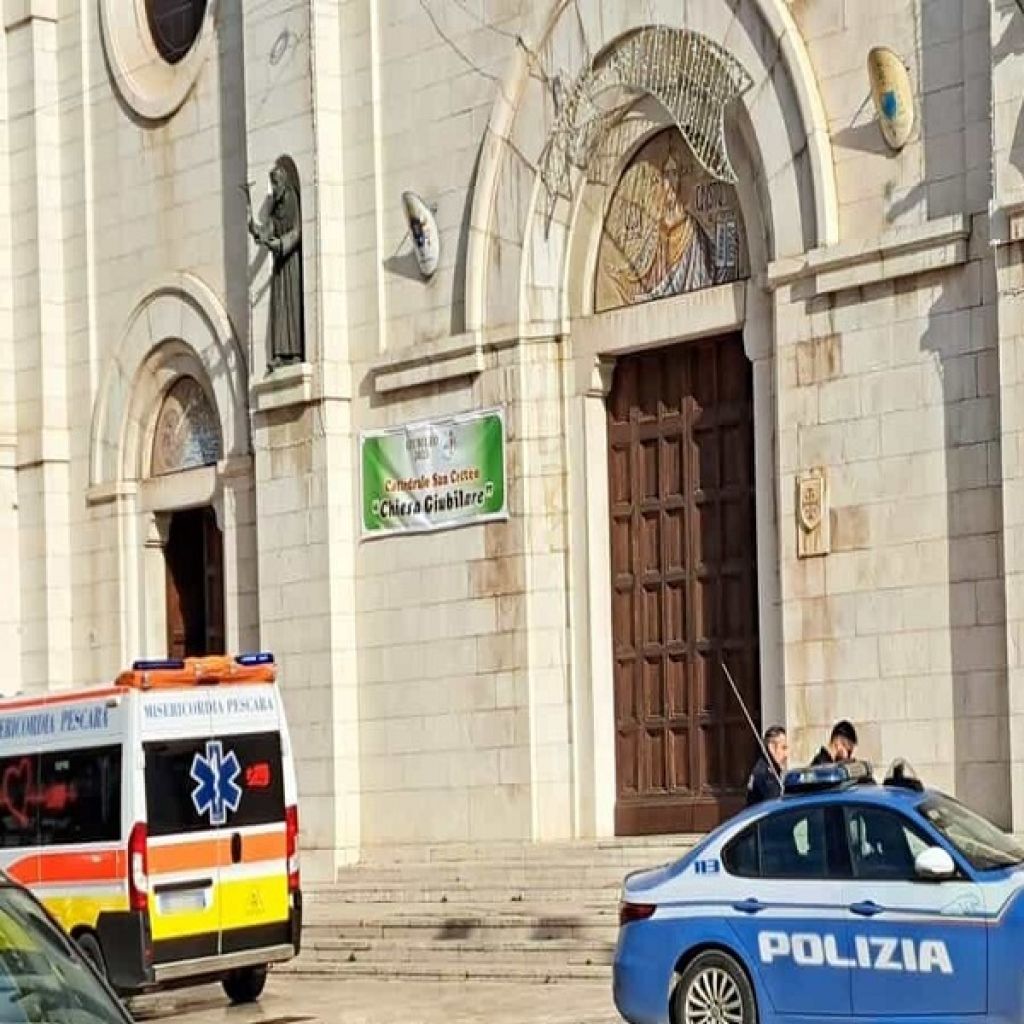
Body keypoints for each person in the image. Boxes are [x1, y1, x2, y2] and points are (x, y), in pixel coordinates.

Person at [745, 726, 789, 806]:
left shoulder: (772, 768)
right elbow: (775, 803)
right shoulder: (764, 773)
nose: (786, 754)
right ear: (771, 748)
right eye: (783, 748)